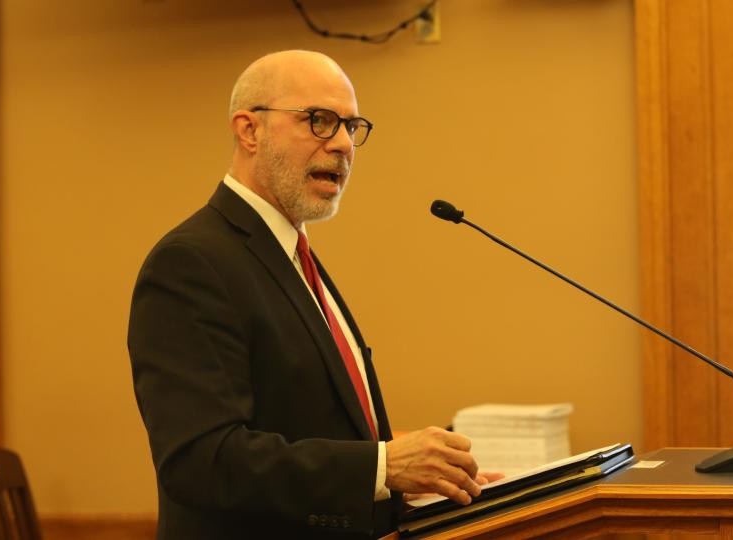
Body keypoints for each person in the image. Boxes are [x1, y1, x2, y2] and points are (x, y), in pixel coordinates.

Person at [128, 51, 495, 539]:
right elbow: (201, 461)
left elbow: (311, 423)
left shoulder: (290, 253)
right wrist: (383, 468)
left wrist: (408, 488)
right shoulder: (192, 262)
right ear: (249, 130)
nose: (343, 144)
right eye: (319, 121)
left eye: (351, 125)